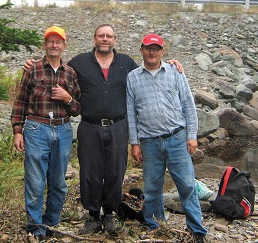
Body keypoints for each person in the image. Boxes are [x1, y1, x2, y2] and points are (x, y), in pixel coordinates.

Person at [23, 24, 183, 235]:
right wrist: (33, 64)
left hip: (118, 126)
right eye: (101, 36)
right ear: (95, 39)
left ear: (115, 40)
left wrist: (170, 63)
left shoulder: (126, 63)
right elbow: (57, 69)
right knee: (90, 173)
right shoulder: (79, 62)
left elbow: (149, 70)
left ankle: (109, 214)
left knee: (116, 172)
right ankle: (92, 216)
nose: (105, 39)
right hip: (89, 126)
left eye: (109, 36)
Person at [126, 33, 207, 243]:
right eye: (148, 48)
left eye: (156, 48)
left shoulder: (175, 71)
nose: (152, 52)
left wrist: (191, 136)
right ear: (141, 49)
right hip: (149, 142)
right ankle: (156, 226)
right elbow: (131, 114)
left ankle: (197, 230)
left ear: (162, 51)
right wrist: (134, 143)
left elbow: (189, 105)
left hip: (177, 138)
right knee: (152, 189)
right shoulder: (133, 77)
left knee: (187, 186)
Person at [11, 26, 81, 240]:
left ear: (64, 46)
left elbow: (78, 107)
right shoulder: (32, 70)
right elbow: (20, 101)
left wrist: (66, 97)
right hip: (36, 128)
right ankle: (35, 227)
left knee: (58, 181)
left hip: (63, 129)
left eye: (58, 41)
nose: (54, 45)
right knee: (35, 181)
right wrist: (17, 131)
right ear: (44, 44)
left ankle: (51, 223)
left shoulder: (70, 73)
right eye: (50, 41)